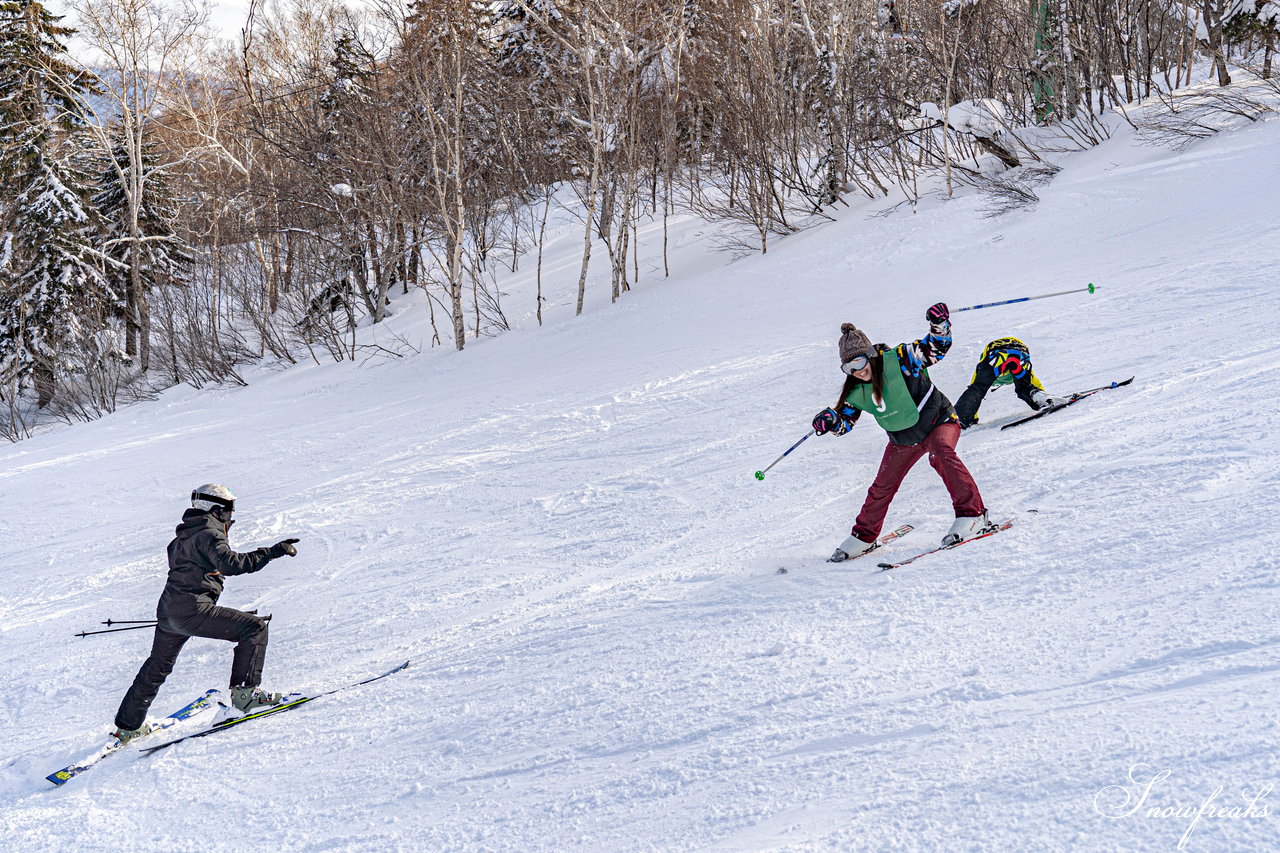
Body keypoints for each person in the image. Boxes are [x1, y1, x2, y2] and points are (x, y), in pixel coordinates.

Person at [111, 484, 301, 744]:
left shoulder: (181, 538)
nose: (232, 514)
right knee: (254, 628)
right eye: (229, 508)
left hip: (169, 611)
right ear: (216, 509)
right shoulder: (209, 533)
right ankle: (246, 696)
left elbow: (195, 572)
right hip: (192, 610)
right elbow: (230, 564)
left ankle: (128, 726)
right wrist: (273, 551)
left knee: (158, 665)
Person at [812, 304, 989, 561]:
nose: (857, 371)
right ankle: (864, 536)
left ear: (871, 354)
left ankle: (972, 516)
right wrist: (830, 422)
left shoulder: (902, 358)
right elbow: (845, 424)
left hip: (939, 421)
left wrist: (939, 326)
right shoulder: (854, 391)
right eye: (849, 368)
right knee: (883, 484)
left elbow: (935, 348)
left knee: (941, 453)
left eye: (860, 362)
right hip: (903, 439)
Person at [952, 336, 1068, 428]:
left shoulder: (983, 370)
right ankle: (1044, 400)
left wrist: (971, 419)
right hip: (1020, 353)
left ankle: (957, 420)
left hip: (996, 354)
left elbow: (974, 394)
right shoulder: (1015, 371)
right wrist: (1044, 398)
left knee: (978, 389)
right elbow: (1034, 383)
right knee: (1026, 387)